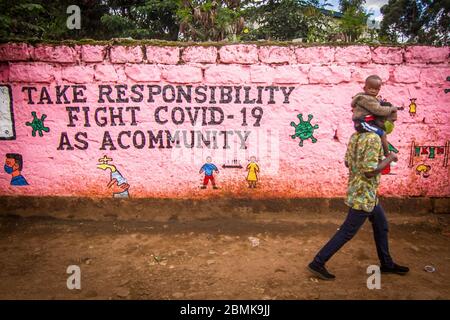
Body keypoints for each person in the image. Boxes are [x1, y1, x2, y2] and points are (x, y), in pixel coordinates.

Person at [307, 116, 409, 280]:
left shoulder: (355, 136)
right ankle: (317, 263)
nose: (388, 124)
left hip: (363, 192)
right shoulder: (373, 139)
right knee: (347, 231)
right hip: (364, 195)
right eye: (384, 121)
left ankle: (387, 264)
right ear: (376, 122)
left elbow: (348, 163)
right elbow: (370, 172)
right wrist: (389, 158)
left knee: (381, 226)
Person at [352, 75, 398, 158]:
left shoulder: (371, 98)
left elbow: (377, 105)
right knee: (382, 133)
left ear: (379, 89)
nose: (373, 91)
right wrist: (390, 109)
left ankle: (380, 153)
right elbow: (378, 110)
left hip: (368, 122)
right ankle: (387, 154)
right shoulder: (365, 99)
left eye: (376, 89)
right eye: (370, 88)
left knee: (380, 130)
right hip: (363, 123)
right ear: (364, 88)